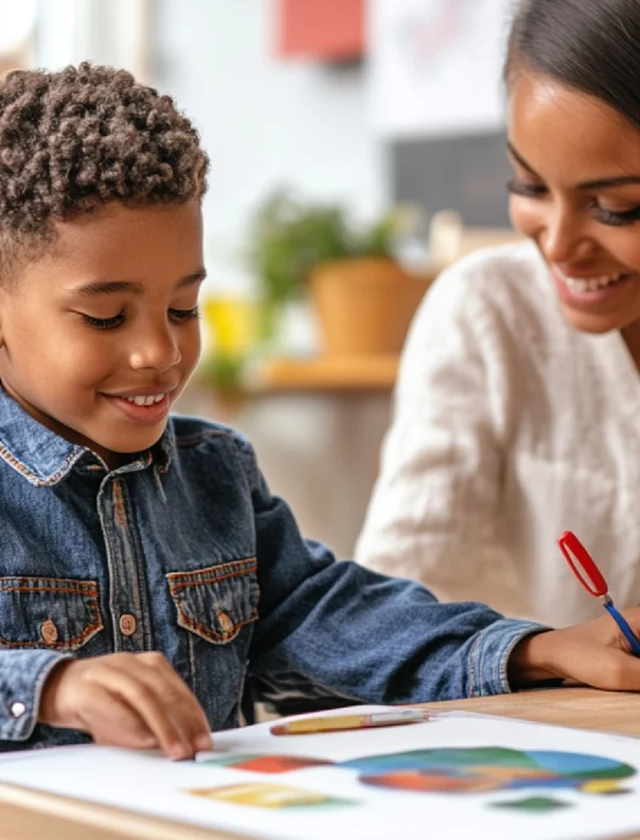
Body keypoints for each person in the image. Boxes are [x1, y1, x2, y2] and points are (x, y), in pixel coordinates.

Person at [0, 63, 638, 762]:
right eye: (105, 316)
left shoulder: (216, 477)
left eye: (183, 307)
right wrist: (52, 684)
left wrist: (533, 649)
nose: (159, 350)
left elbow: (337, 618)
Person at [356, 0, 640, 628]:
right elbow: (389, 624)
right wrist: (535, 656)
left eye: (617, 206)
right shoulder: (486, 316)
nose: (560, 244)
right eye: (530, 186)